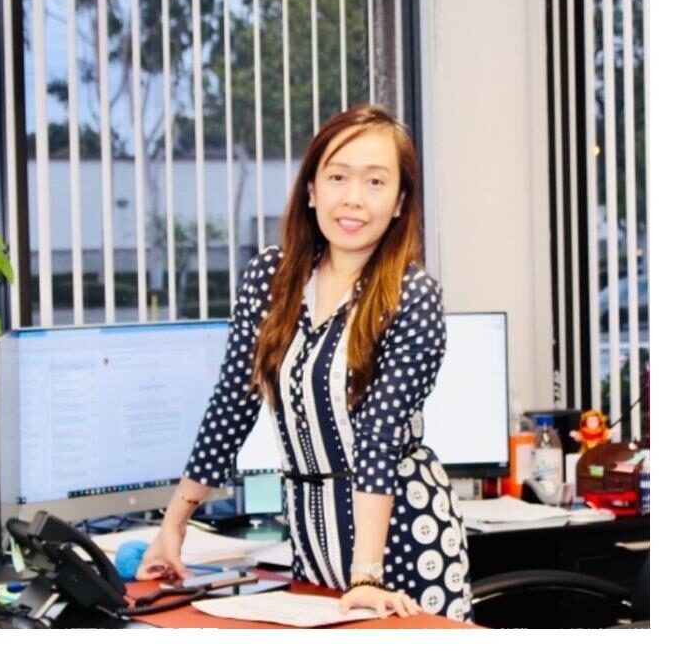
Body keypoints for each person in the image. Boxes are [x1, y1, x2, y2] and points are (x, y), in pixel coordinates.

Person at [136, 104, 472, 622]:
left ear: (401, 202)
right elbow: (232, 404)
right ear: (312, 189)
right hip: (310, 532)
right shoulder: (270, 278)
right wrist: (174, 524)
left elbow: (379, 436)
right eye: (337, 176)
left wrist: (365, 573)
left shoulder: (412, 295)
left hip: (398, 539)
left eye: (376, 182)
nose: (353, 198)